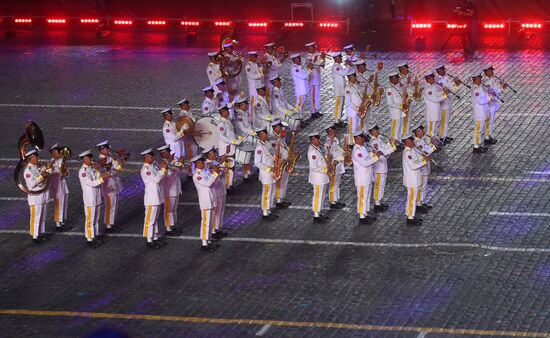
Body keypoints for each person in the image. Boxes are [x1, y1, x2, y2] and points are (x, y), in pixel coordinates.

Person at [78, 150, 109, 247]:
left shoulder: (92, 168)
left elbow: (97, 178)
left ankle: (94, 236)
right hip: (90, 199)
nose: (91, 159)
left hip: (96, 197)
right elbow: (91, 183)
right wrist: (102, 178)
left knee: (96, 218)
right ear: (84, 159)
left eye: (91, 157)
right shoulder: (83, 172)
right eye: (89, 158)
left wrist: (98, 171)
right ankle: (89, 239)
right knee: (90, 220)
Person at [140, 148, 167, 249]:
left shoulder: (153, 166)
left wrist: (161, 170)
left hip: (157, 196)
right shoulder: (146, 170)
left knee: (154, 219)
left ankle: (154, 237)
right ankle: (149, 240)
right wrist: (163, 170)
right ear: (146, 158)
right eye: (152, 156)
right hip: (151, 199)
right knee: (150, 220)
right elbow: (157, 179)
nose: (154, 158)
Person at [192, 155, 220, 252]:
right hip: (205, 202)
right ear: (196, 164)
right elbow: (208, 183)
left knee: (210, 222)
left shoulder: (206, 171)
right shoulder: (197, 175)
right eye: (201, 162)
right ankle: (204, 243)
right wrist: (215, 173)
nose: (204, 164)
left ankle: (208, 240)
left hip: (211, 199)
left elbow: (213, 183)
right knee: (205, 222)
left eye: (203, 162)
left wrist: (214, 172)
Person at [352, 132, 381, 224]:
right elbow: (364, 163)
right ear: (357, 139)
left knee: (367, 196)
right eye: (362, 138)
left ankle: (365, 213)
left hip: (367, 176)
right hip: (362, 178)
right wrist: (376, 157)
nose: (364, 140)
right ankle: (361, 216)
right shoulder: (357, 150)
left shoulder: (362, 148)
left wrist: (372, 154)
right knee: (362, 197)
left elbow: (367, 158)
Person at [96, 140, 124, 233]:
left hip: (114, 185)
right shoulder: (101, 161)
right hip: (108, 187)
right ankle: (108, 226)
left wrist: (121, 159)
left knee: (114, 206)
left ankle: (111, 224)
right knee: (109, 206)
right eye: (106, 149)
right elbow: (105, 173)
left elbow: (118, 167)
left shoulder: (110, 158)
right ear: (101, 150)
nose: (108, 150)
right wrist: (114, 171)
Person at [24, 150, 50, 243]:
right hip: (35, 197)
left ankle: (41, 233)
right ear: (31, 158)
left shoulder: (39, 166)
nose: (38, 158)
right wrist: (42, 176)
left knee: (42, 216)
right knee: (36, 216)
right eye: (36, 157)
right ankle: (35, 236)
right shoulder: (28, 171)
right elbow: (31, 186)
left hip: (43, 194)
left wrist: (48, 172)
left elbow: (46, 175)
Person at [367, 124, 396, 211]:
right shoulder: (374, 142)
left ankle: (379, 201)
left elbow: (384, 147)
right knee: (378, 185)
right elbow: (384, 152)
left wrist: (390, 144)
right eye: (376, 130)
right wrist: (393, 148)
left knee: (382, 185)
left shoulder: (378, 140)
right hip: (378, 167)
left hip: (382, 166)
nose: (378, 131)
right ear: (372, 132)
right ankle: (377, 203)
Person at [402, 135, 427, 226]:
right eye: (411, 141)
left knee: (413, 197)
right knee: (411, 198)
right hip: (411, 180)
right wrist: (424, 161)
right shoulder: (407, 153)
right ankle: (410, 217)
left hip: (415, 179)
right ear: (406, 143)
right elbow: (413, 166)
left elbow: (417, 160)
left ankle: (411, 215)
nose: (413, 142)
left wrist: (423, 158)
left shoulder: (412, 150)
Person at [157, 145, 183, 237]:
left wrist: (178, 164)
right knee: (168, 210)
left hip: (176, 189)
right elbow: (169, 174)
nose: (170, 153)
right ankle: (168, 228)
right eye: (168, 152)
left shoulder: (172, 162)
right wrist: (173, 165)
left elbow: (179, 171)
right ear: (163, 154)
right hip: (169, 191)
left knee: (174, 209)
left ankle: (172, 225)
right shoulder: (161, 164)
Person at [204, 147, 228, 240]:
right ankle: (214, 230)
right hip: (215, 190)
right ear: (209, 155)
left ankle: (218, 228)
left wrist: (222, 163)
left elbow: (224, 171)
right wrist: (219, 166)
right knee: (216, 212)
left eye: (215, 153)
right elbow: (212, 176)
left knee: (221, 211)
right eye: (213, 153)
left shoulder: (216, 162)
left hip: (221, 189)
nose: (215, 155)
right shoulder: (206, 164)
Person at [254, 127, 278, 220]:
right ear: (261, 135)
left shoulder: (267, 144)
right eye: (265, 134)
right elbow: (257, 162)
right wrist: (269, 168)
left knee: (272, 191)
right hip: (266, 173)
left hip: (272, 172)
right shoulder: (259, 147)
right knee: (267, 192)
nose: (267, 135)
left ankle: (268, 209)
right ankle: (265, 212)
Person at [435, 65, 461, 144]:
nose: (444, 71)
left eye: (444, 70)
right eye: (442, 70)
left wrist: (456, 84)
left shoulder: (447, 78)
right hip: (444, 104)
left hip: (448, 103)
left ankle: (444, 135)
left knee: (446, 121)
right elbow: (439, 93)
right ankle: (442, 137)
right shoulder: (438, 81)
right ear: (439, 71)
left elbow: (453, 89)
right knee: (443, 121)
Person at [307, 132, 330, 223]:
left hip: (322, 177)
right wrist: (325, 170)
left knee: (322, 195)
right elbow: (314, 167)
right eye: (318, 139)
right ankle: (316, 215)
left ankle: (319, 212)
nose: (319, 141)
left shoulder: (316, 149)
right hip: (317, 178)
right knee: (317, 196)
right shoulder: (312, 152)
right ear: (313, 140)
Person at [412, 125, 435, 213]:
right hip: (421, 168)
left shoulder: (421, 140)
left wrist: (432, 144)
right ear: (417, 133)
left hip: (425, 167)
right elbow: (425, 152)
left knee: (423, 186)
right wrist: (432, 146)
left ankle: (421, 201)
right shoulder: (417, 143)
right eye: (421, 131)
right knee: (420, 186)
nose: (423, 132)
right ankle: (418, 204)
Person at [217, 104, 240, 191]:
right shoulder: (221, 124)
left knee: (231, 167)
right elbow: (221, 137)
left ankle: (229, 184)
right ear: (221, 113)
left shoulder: (227, 120)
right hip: (226, 149)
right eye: (226, 111)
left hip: (231, 147)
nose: (227, 112)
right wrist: (233, 141)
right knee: (227, 168)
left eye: (227, 110)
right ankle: (227, 186)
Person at [48, 144, 69, 231]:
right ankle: (58, 223)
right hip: (56, 184)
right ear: (53, 153)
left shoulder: (61, 160)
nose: (60, 153)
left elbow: (66, 173)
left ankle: (62, 220)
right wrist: (62, 171)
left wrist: (65, 172)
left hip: (63, 182)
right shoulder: (51, 163)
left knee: (65, 199)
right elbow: (54, 173)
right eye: (58, 152)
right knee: (58, 201)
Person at [234, 97, 256, 180]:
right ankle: (245, 175)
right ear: (242, 105)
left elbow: (249, 125)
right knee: (245, 159)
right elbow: (242, 128)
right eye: (246, 105)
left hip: (248, 135)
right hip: (243, 138)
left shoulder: (244, 113)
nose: (247, 106)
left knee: (249, 156)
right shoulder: (239, 115)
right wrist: (252, 132)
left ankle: (249, 171)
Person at [271, 120, 292, 208]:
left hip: (284, 162)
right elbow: (275, 152)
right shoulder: (273, 139)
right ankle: (278, 200)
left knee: (284, 181)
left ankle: (281, 198)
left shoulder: (279, 137)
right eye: (280, 127)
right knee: (279, 182)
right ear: (275, 128)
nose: (282, 129)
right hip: (279, 163)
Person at [324, 125, 346, 209]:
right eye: (332, 132)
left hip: (339, 165)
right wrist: (331, 142)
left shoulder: (336, 140)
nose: (334, 133)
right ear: (329, 133)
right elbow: (329, 154)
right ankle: (332, 201)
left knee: (337, 183)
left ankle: (336, 199)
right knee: (333, 184)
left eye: (334, 131)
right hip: (334, 166)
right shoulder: (327, 143)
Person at [482, 64, 505, 145]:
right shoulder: (485, 82)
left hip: (493, 104)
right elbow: (489, 94)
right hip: (489, 105)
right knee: (489, 122)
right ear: (487, 71)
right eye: (491, 70)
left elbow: (497, 91)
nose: (492, 72)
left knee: (491, 121)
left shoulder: (491, 80)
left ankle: (488, 136)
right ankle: (487, 137)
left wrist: (502, 87)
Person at [422, 72, 447, 139]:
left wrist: (443, 92)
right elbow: (435, 99)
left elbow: (437, 94)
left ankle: (434, 144)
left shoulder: (433, 86)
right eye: (432, 78)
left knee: (435, 129)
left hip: (436, 111)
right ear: (428, 79)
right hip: (431, 113)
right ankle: (429, 145)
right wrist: (444, 95)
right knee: (431, 130)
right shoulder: (428, 89)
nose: (434, 79)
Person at [176, 98, 197, 177]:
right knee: (191, 155)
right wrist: (196, 133)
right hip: (188, 139)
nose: (189, 105)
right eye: (186, 104)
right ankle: (191, 172)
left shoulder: (189, 113)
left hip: (192, 138)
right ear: (183, 106)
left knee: (194, 154)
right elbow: (186, 130)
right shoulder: (182, 116)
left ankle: (193, 170)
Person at [471, 72, 490, 154]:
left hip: (483, 112)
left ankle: (478, 144)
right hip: (479, 114)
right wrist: (490, 97)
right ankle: (476, 147)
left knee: (481, 130)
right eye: (479, 78)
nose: (481, 80)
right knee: (477, 130)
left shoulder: (481, 87)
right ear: (475, 80)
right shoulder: (476, 90)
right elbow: (481, 101)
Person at [305, 42, 325, 118]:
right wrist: (321, 59)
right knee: (313, 96)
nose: (313, 49)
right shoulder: (308, 57)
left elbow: (322, 64)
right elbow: (314, 66)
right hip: (313, 79)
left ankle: (316, 110)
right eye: (311, 48)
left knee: (317, 95)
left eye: (313, 47)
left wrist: (323, 59)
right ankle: (313, 112)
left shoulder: (317, 54)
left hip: (318, 78)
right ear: (309, 49)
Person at [386, 71, 407, 145]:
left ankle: (399, 141)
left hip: (401, 112)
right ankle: (393, 143)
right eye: (394, 79)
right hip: (395, 112)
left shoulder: (400, 86)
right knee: (395, 128)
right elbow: (390, 103)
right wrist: (401, 106)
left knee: (400, 127)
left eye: (397, 78)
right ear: (391, 80)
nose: (397, 80)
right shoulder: (389, 90)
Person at [290, 53, 312, 118]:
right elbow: (303, 76)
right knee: (298, 106)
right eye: (299, 59)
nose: (300, 61)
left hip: (303, 90)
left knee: (301, 105)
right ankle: (298, 120)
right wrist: (309, 69)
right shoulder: (294, 68)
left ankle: (300, 119)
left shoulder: (299, 67)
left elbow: (304, 73)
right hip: (300, 90)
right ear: (296, 60)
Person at [344, 70, 363, 145]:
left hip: (359, 110)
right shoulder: (348, 88)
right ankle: (352, 143)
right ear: (350, 78)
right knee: (353, 127)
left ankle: (358, 141)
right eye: (354, 76)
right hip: (353, 111)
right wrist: (356, 108)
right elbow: (348, 101)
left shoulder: (357, 85)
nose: (356, 78)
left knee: (358, 126)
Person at [331, 52, 349, 125]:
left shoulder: (339, 66)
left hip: (341, 89)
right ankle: (336, 120)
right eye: (340, 57)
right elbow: (343, 73)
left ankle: (339, 118)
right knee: (338, 105)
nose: (341, 58)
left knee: (341, 105)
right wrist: (347, 66)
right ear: (336, 58)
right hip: (338, 89)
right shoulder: (336, 67)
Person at [246, 51, 264, 120]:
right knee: (253, 105)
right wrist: (262, 74)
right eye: (255, 56)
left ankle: (259, 118)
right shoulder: (248, 67)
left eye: (256, 56)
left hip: (259, 87)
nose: (256, 58)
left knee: (259, 103)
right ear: (250, 57)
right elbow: (253, 76)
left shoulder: (257, 64)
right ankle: (251, 120)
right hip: (253, 89)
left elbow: (261, 72)